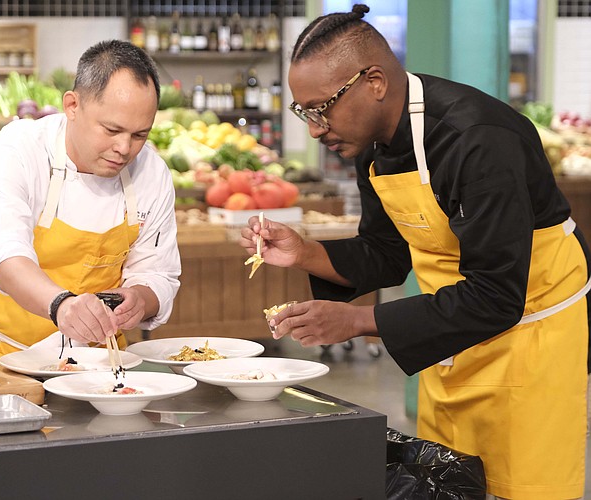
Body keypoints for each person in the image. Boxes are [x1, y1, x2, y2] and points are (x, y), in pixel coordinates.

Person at [240, 5, 590, 499]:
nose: (315, 128)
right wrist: (306, 253)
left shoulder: (477, 139)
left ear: (375, 82)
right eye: (306, 112)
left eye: (322, 108)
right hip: (453, 339)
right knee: (451, 485)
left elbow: (496, 295)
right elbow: (387, 252)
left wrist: (360, 322)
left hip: (530, 341)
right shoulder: (373, 146)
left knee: (524, 489)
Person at [0, 40, 181, 356]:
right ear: (72, 106)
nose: (124, 148)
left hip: (98, 362)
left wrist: (141, 299)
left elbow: (158, 273)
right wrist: (62, 305)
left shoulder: (152, 172)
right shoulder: (15, 152)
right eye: (111, 130)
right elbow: (3, 253)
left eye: (139, 135)